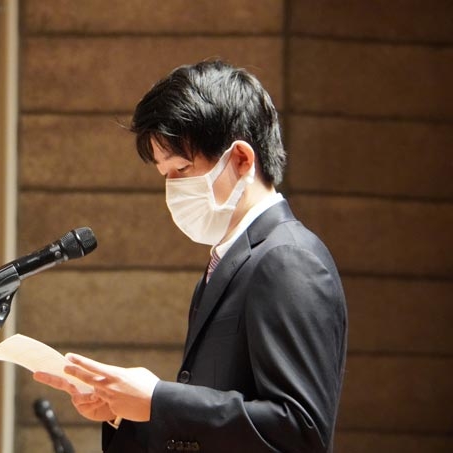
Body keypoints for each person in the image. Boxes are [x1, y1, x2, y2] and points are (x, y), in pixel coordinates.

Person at [34, 60, 347, 452]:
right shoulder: (227, 263)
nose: (173, 189)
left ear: (241, 160)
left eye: (182, 169)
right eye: (165, 174)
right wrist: (125, 411)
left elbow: (301, 430)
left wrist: (158, 400)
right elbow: (216, 427)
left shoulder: (288, 259)